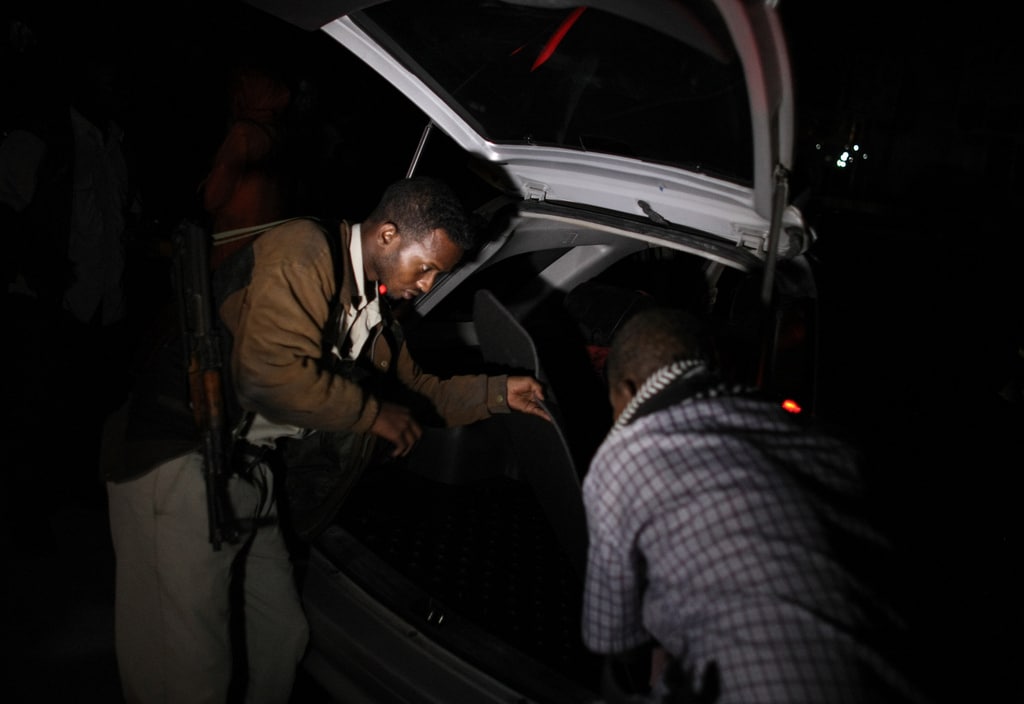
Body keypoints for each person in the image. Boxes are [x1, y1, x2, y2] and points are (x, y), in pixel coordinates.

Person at [105, 175, 551, 703]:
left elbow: (422, 392)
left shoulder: (375, 309)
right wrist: (371, 414)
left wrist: (500, 392)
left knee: (279, 637)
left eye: (439, 274)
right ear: (387, 235)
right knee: (186, 675)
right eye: (426, 267)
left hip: (248, 472)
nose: (429, 285)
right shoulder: (304, 250)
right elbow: (266, 375)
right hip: (179, 462)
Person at [580, 306, 930, 703]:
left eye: (612, 406)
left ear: (626, 391)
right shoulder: (830, 444)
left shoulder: (627, 455)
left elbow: (611, 636)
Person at [200, 62, 294, 269]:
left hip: (234, 246)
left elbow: (213, 196)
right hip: (264, 245)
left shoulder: (244, 134)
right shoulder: (277, 135)